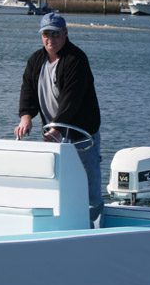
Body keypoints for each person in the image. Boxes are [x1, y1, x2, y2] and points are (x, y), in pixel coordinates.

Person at [14, 12, 103, 224]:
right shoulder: (36, 60)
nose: (50, 39)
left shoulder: (76, 60)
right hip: (54, 134)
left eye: (55, 34)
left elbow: (71, 99)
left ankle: (95, 225)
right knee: (55, 182)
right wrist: (26, 117)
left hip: (82, 135)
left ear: (65, 34)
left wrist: (57, 128)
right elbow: (27, 90)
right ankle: (62, 223)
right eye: (46, 34)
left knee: (87, 184)